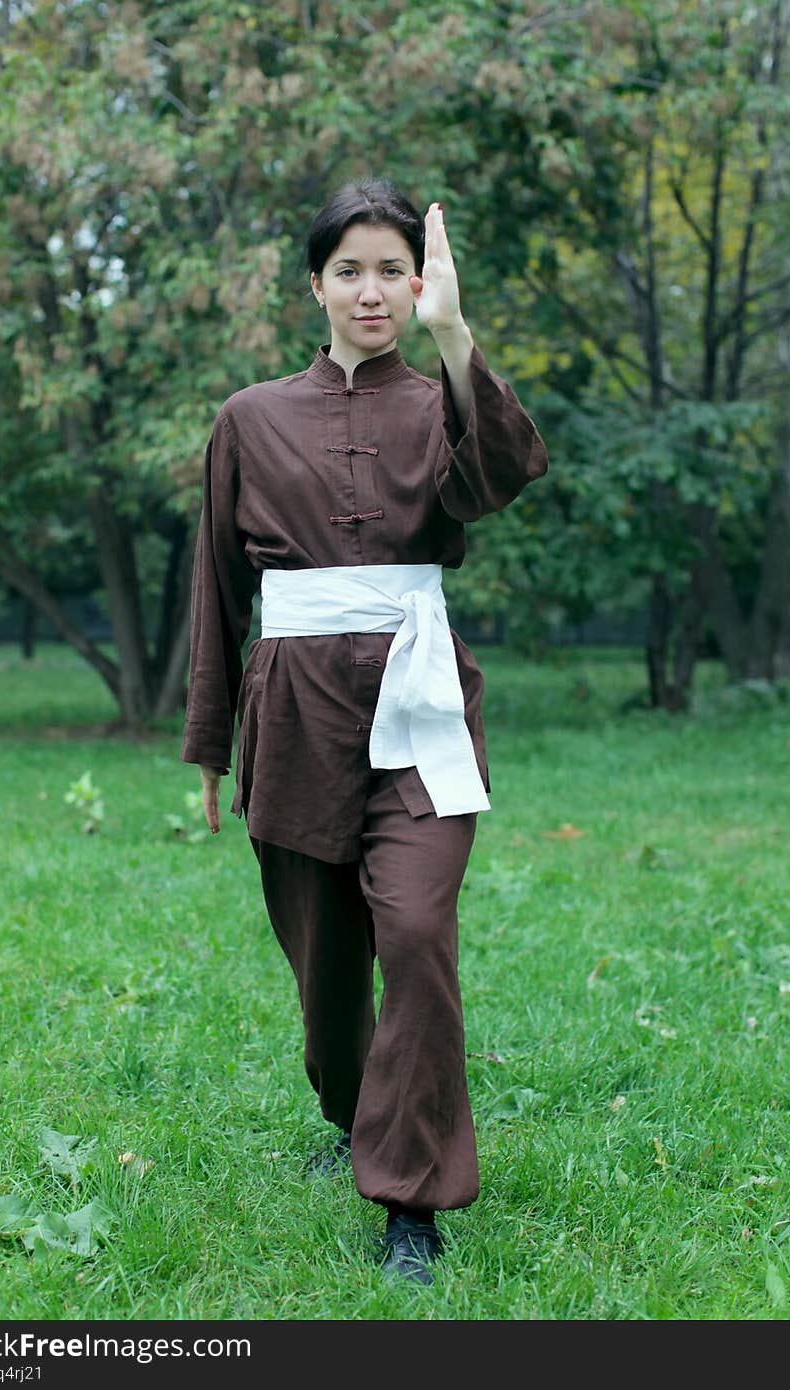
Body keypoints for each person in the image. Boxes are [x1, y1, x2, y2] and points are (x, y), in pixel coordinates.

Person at [180, 177, 548, 1284]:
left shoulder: (442, 396)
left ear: (416, 281)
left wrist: (457, 337)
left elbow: (504, 476)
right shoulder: (248, 417)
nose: (372, 290)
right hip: (292, 715)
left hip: (422, 699)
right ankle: (353, 1114)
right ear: (316, 286)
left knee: (418, 933)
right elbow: (214, 586)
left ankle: (410, 1205)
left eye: (394, 268)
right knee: (326, 968)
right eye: (351, 270)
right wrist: (209, 741)